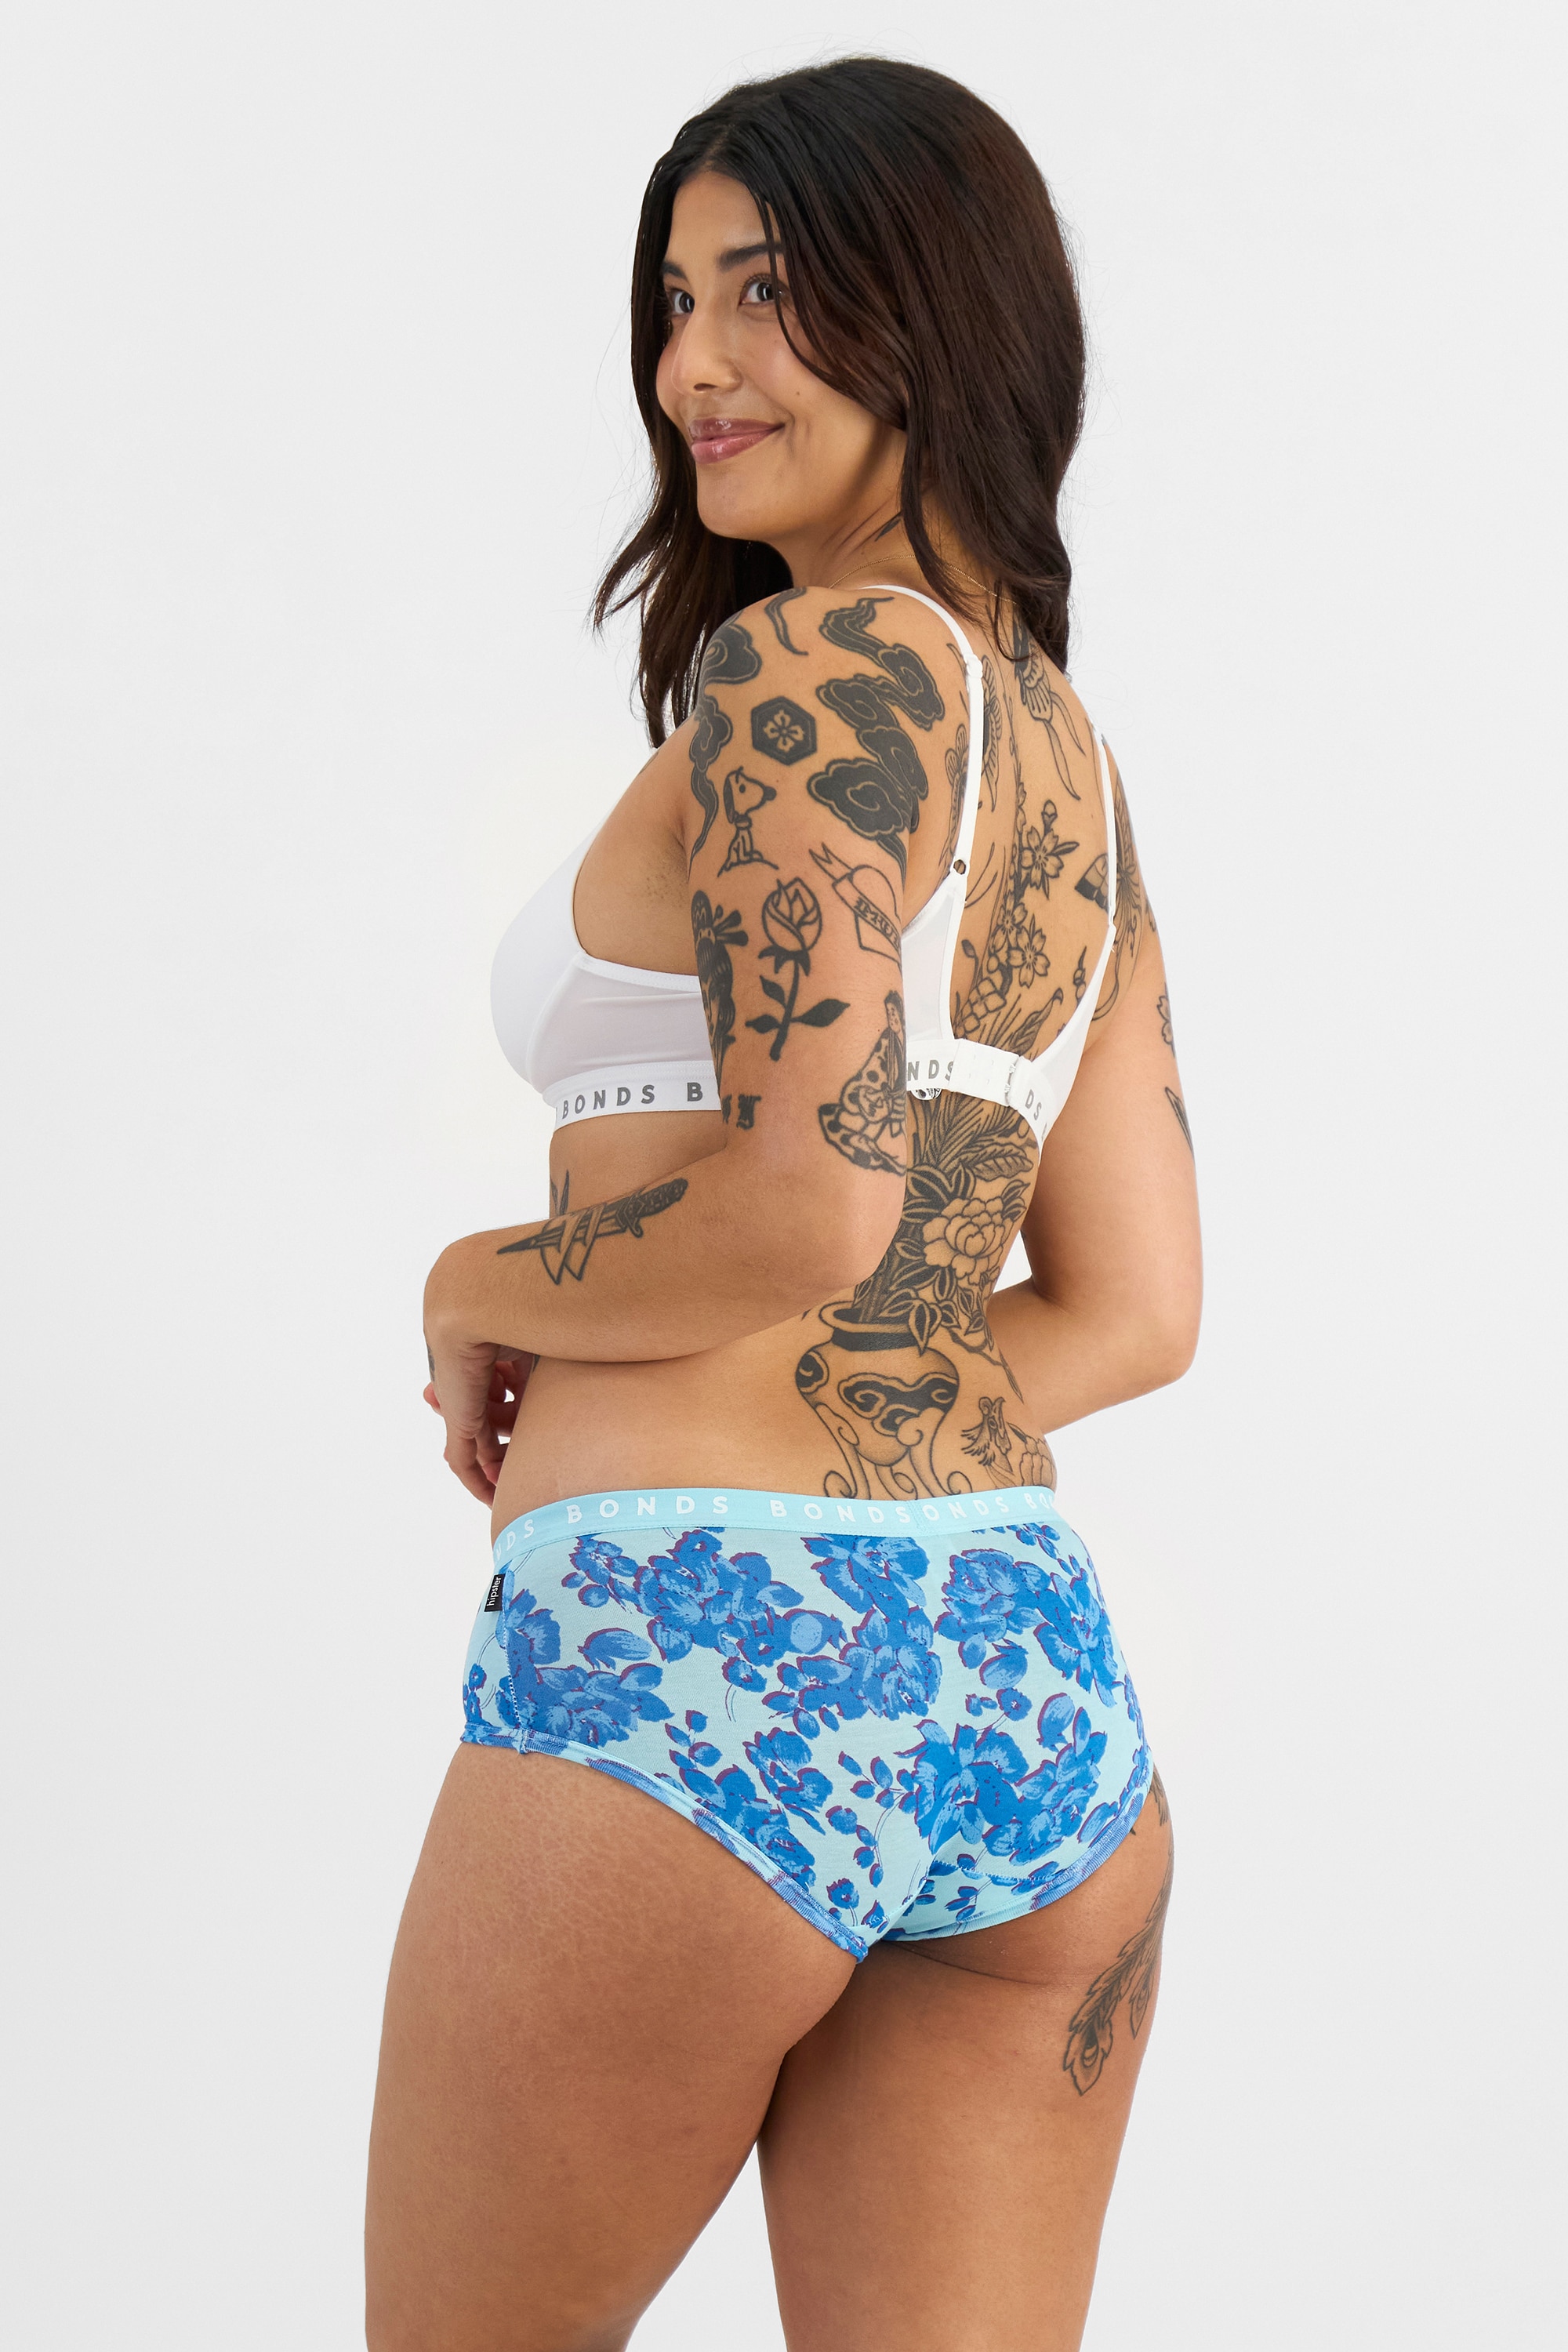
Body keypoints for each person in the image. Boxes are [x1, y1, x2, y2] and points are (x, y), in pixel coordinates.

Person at [365, 56, 1201, 2352]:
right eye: (676, 300)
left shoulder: (808, 667)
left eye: (768, 292)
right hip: (1025, 1695)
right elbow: (1134, 1312)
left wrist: (475, 1281)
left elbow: (810, 1211)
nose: (695, 368)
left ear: (941, 314)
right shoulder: (1068, 763)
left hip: (698, 1669)